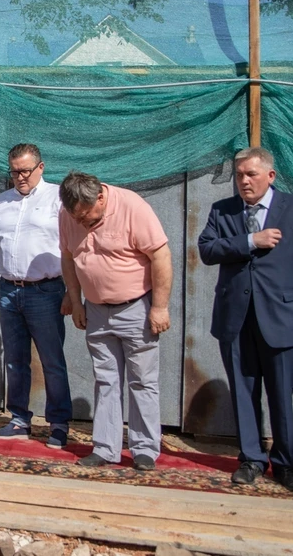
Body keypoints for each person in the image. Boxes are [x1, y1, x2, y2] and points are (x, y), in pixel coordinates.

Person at [197, 147, 293, 494]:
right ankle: (251, 459)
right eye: (239, 175)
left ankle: (286, 464)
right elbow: (207, 250)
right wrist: (249, 240)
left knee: (281, 396)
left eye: (251, 174)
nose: (244, 181)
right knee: (243, 392)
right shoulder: (222, 210)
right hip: (234, 320)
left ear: (270, 175)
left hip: (283, 319)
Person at [58, 171, 172, 470]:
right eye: (77, 218)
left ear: (100, 197)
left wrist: (159, 307)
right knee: (105, 380)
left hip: (135, 307)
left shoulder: (133, 206)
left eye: (88, 218)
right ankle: (105, 448)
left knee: (142, 381)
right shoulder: (69, 213)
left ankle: (144, 448)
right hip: (95, 310)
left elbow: (161, 256)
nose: (82, 223)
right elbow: (68, 257)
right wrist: (75, 299)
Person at [0, 144, 72, 446]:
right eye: (14, 171)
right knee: (15, 360)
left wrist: (73, 293)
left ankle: (59, 423)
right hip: (9, 290)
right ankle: (20, 420)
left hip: (45, 291)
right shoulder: (2, 201)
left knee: (51, 360)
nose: (20, 177)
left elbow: (71, 248)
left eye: (25, 171)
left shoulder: (58, 199)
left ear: (41, 167)